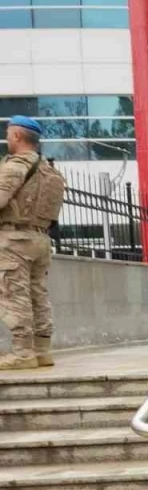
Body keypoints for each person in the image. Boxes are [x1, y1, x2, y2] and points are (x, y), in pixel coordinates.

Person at [0, 115, 65, 370]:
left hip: (14, 239)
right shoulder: (50, 172)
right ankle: (42, 350)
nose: (6, 138)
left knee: (14, 293)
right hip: (40, 238)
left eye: (8, 134)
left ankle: (22, 353)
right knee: (38, 294)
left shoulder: (14, 167)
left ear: (17, 135)